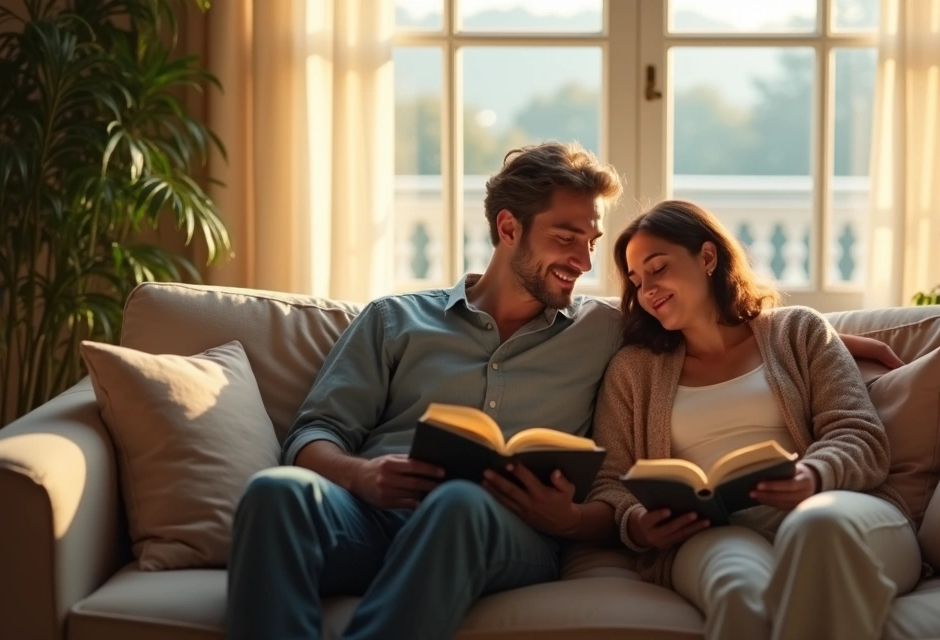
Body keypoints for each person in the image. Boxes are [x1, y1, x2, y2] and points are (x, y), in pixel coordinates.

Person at [226, 141, 902, 640]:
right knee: (276, 491)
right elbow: (313, 433)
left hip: (499, 527)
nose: (584, 261)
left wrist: (833, 340)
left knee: (459, 503)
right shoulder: (394, 319)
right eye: (567, 237)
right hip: (375, 513)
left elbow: (716, 327)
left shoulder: (602, 329)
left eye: (591, 241)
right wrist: (362, 475)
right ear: (508, 229)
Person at [586, 200, 920, 640]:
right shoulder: (633, 370)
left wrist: (812, 475)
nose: (647, 289)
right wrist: (638, 523)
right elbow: (610, 481)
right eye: (636, 280)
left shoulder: (798, 331)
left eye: (659, 268)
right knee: (738, 590)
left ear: (707, 258)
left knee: (816, 527)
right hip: (718, 533)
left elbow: (860, 434)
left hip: (830, 508)